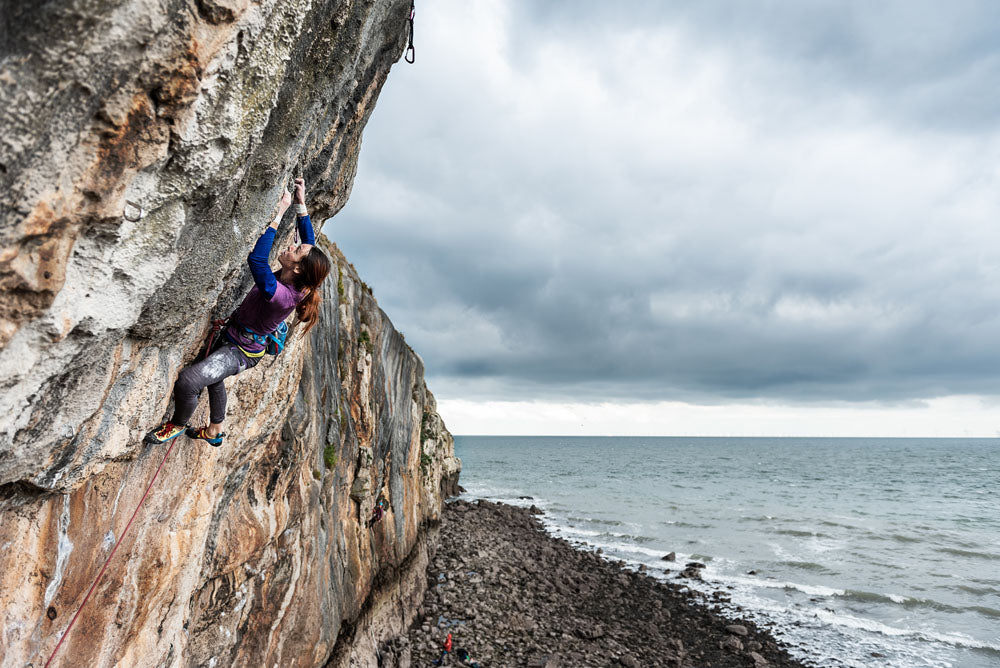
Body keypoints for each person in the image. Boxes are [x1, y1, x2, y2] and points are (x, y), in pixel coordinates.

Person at [145, 178, 331, 447]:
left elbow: (257, 260)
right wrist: (300, 202)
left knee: (189, 381)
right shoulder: (301, 277)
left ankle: (177, 424)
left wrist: (279, 212)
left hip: (241, 351)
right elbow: (309, 241)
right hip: (236, 336)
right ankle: (214, 430)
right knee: (214, 376)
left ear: (299, 268)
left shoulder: (282, 296)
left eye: (296, 250)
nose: (292, 246)